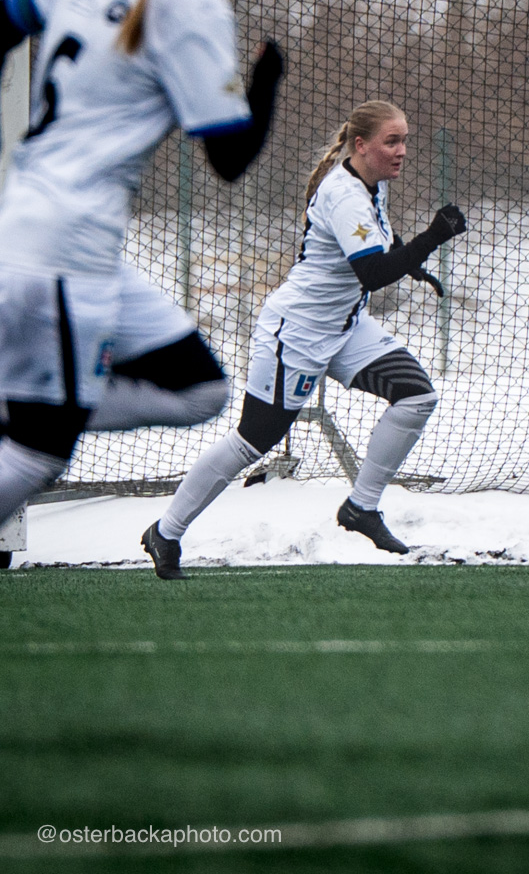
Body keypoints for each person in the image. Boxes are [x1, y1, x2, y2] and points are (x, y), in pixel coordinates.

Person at [0, 0, 283, 529]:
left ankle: (36, 402)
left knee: (200, 390)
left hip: (54, 237)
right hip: (63, 252)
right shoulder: (194, 8)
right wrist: (266, 84)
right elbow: (229, 159)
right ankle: (34, 409)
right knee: (38, 455)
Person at [142, 100, 466, 578]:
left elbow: (378, 240)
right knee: (253, 441)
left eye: (405, 141)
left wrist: (410, 260)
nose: (402, 151)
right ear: (362, 145)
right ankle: (165, 532)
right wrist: (432, 237)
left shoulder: (370, 182)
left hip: (343, 327)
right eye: (392, 141)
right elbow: (373, 273)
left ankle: (361, 507)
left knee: (416, 395)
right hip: (295, 334)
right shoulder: (344, 195)